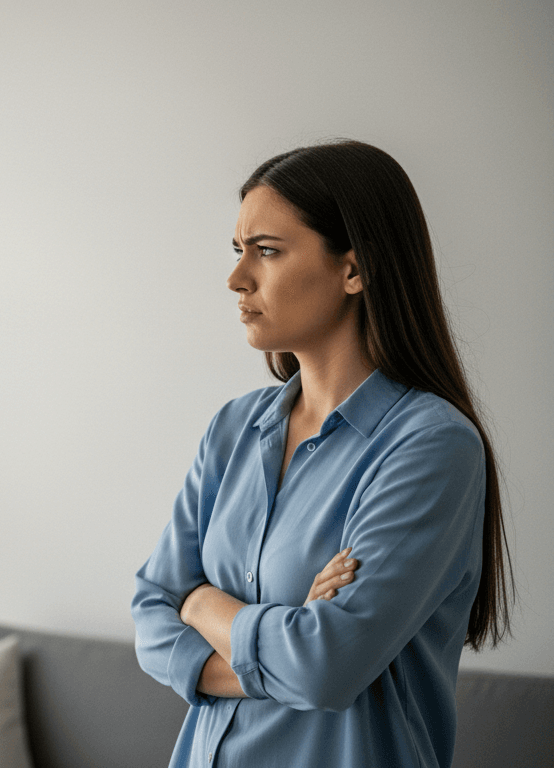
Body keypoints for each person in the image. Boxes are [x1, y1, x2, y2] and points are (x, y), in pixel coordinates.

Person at [131, 140, 513, 768]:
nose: (237, 278)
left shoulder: (431, 446)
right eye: (238, 250)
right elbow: (151, 611)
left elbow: (323, 667)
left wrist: (201, 603)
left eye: (268, 251)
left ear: (354, 271)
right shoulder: (233, 428)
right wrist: (277, 636)